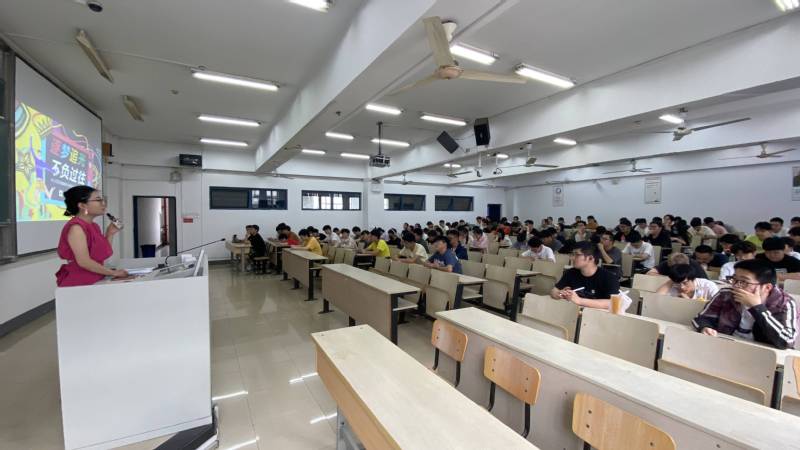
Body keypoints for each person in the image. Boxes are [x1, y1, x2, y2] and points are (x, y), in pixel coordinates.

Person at [693, 259, 798, 349]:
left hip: (762, 353)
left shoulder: (784, 303)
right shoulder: (726, 294)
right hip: (725, 346)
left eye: (744, 282)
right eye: (734, 279)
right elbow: (702, 318)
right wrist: (705, 327)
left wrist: (757, 308)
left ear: (767, 287)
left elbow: (786, 341)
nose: (736, 286)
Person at [56, 186, 127, 287]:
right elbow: (84, 262)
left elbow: (103, 253)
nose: (103, 203)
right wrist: (113, 273)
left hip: (96, 278)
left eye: (102, 200)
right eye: (98, 200)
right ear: (82, 205)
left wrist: (110, 233)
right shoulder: (76, 228)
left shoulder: (94, 226)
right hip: (79, 282)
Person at [550, 241, 623, 310]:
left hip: (597, 315)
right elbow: (554, 291)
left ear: (590, 258)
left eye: (576, 255)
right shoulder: (570, 273)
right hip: (573, 313)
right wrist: (559, 294)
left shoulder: (609, 277)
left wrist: (579, 300)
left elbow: (612, 302)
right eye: (572, 254)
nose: (571, 258)